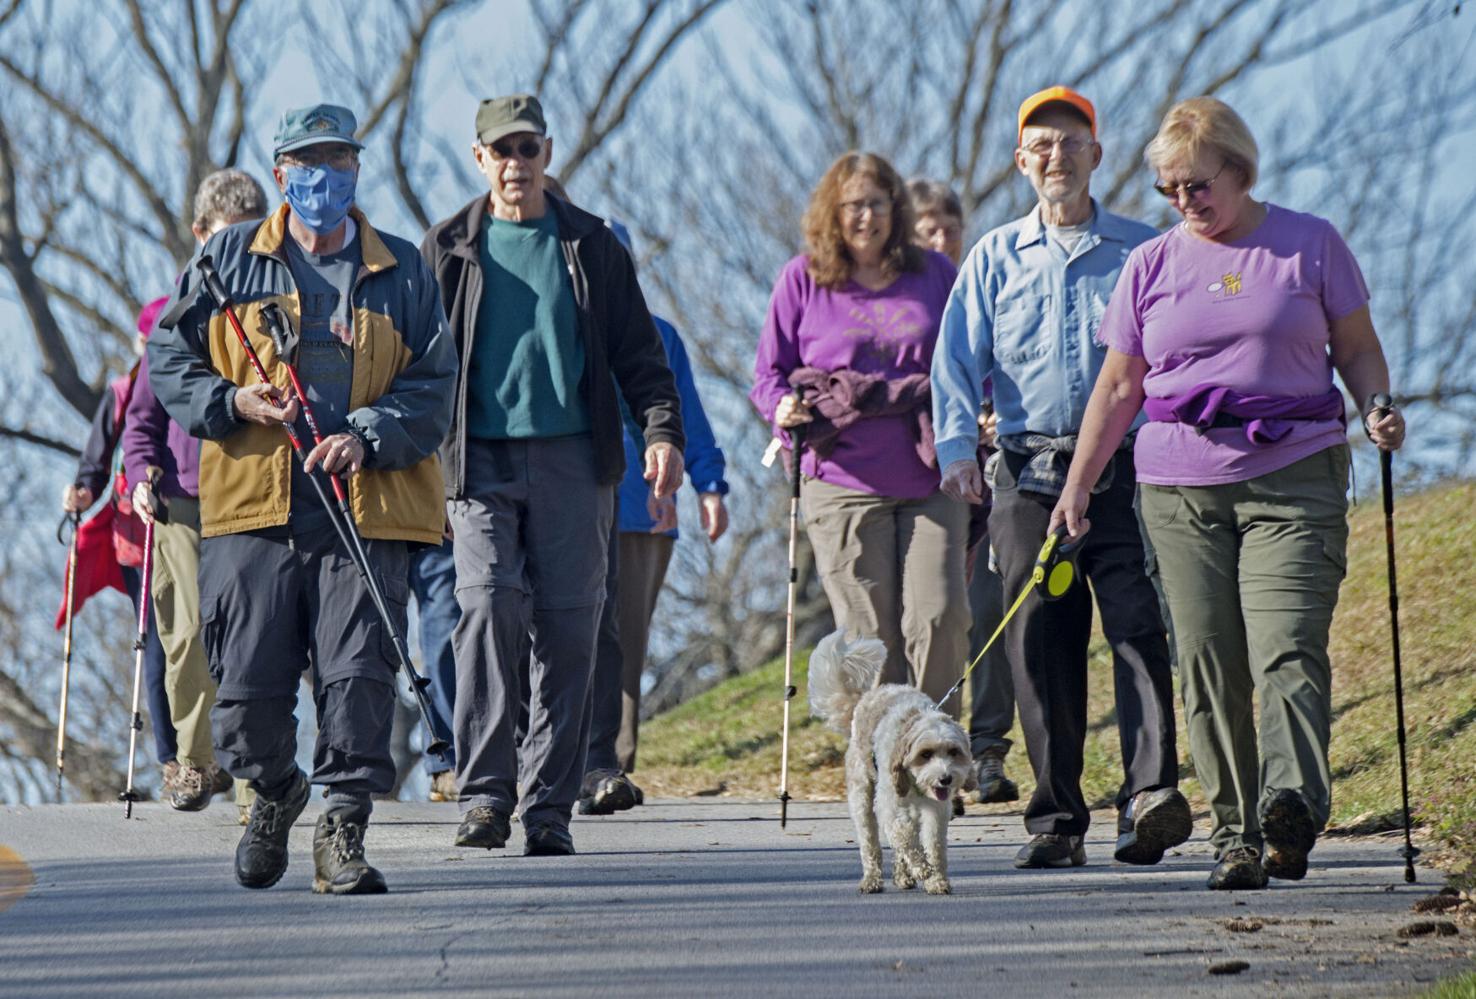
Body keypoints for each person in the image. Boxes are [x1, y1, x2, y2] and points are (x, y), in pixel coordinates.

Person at [1049, 96, 1406, 891]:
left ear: (1239, 171)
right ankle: (1236, 833)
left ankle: (1292, 806)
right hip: (1180, 487)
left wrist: (1379, 405)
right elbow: (1118, 386)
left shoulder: (1309, 245)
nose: (1185, 203)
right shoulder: (1150, 265)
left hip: (1296, 477)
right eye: (1171, 191)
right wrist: (1078, 485)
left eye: (1197, 185)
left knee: (1285, 647)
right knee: (1210, 661)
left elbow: (1357, 349)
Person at [150, 103, 455, 895]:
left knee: (358, 678)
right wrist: (233, 401)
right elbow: (167, 357)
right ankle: (277, 792)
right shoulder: (227, 261)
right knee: (244, 702)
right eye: (307, 163)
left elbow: (435, 382)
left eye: (339, 161)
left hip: (365, 508)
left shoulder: (403, 271)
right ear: (281, 174)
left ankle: (343, 827)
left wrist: (367, 432)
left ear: (357, 169)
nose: (325, 177)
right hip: (252, 510)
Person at [932, 86, 1190, 870]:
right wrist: (955, 450)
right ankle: (1057, 817)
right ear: (1021, 161)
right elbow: (954, 360)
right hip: (1025, 472)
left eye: (1070, 142)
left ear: (1096, 155)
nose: (1055, 155)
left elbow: (1176, 355)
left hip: (1126, 468)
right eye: (1040, 144)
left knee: (1137, 624)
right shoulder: (992, 258)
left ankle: (1149, 797)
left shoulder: (1144, 251)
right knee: (1040, 637)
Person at [421, 94, 683, 857]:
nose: (515, 164)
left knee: (572, 629)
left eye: (527, 149)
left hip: (575, 459)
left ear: (547, 153)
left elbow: (642, 355)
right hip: (479, 463)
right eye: (500, 151)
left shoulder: (591, 244)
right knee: (488, 607)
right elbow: (418, 366)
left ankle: (548, 804)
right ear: (479, 160)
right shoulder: (447, 247)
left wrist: (662, 432)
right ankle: (484, 793)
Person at [751, 152, 969, 712]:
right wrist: (783, 408)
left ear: (896, 209)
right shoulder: (802, 279)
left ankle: (936, 751)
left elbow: (970, 356)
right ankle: (884, 755)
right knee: (870, 637)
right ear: (832, 213)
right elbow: (768, 375)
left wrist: (981, 409)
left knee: (940, 616)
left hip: (929, 471)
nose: (866, 217)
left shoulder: (934, 273)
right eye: (853, 206)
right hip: (840, 474)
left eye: (876, 204)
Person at [127, 168, 269, 814]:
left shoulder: (278, 309)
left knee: (249, 639)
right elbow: (141, 422)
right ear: (198, 236)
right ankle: (193, 761)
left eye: (250, 236)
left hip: (255, 493)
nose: (237, 251)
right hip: (182, 498)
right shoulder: (169, 315)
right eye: (223, 238)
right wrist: (138, 480)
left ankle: (252, 769)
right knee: (184, 635)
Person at [578, 219, 730, 814]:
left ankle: (611, 761)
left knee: (625, 636)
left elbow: (684, 411)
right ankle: (556, 752)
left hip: (643, 510)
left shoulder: (660, 335)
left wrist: (710, 485)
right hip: (573, 498)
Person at [906, 178, 1017, 806]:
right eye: (928, 227)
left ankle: (990, 748)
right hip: (924, 484)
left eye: (950, 224)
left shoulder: (988, 284)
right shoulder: (907, 299)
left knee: (990, 609)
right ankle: (925, 749)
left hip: (994, 476)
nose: (942, 236)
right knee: (937, 620)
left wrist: (1000, 413)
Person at [62, 312, 175, 790]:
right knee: (154, 636)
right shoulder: (123, 390)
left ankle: (204, 746)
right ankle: (171, 756)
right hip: (138, 533)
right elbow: (96, 461)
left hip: (194, 523)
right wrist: (83, 492)